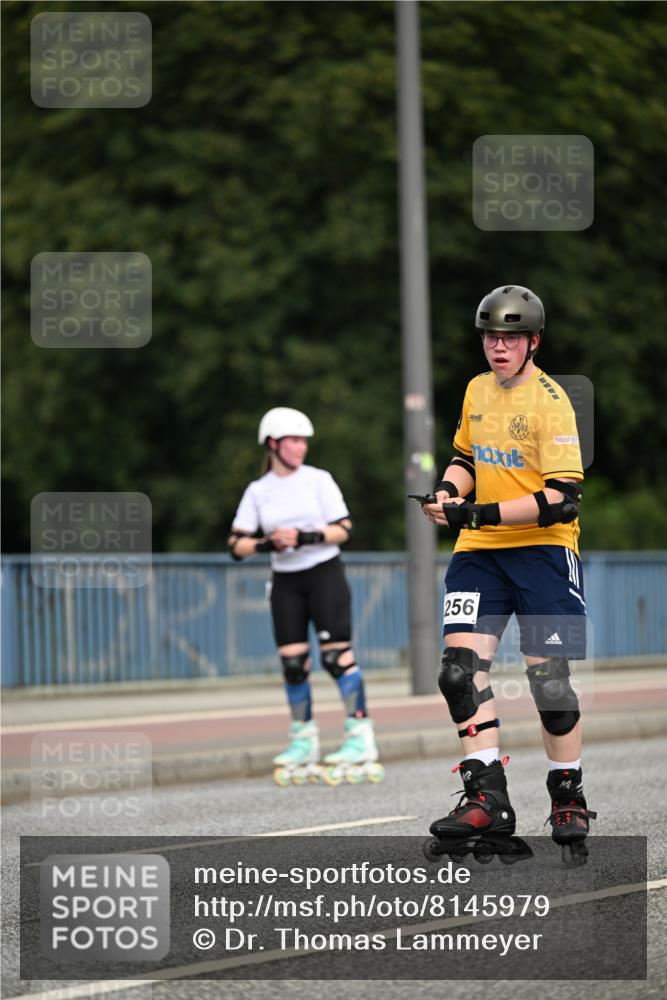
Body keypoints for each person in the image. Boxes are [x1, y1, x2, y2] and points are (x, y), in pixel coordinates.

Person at [422, 285, 595, 866]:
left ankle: (567, 793)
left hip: (543, 551)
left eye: (511, 339)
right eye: (491, 338)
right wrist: (447, 492)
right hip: (481, 552)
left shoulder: (552, 402)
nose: (499, 347)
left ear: (533, 342)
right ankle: (486, 797)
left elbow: (562, 499)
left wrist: (478, 512)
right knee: (458, 672)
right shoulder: (476, 390)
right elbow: (466, 458)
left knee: (550, 683)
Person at [227, 407, 383, 785]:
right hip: (286, 582)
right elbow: (236, 544)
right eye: (294, 441)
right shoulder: (259, 491)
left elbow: (344, 528)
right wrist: (267, 543)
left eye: (303, 441)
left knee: (336, 658)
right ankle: (303, 740)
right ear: (272, 444)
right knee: (293, 665)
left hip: (324, 574)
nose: (301, 447)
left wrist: (305, 537)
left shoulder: (318, 480)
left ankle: (360, 737)